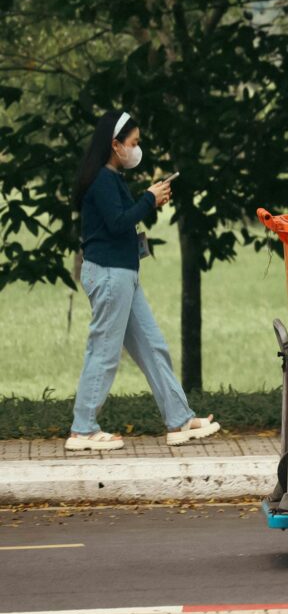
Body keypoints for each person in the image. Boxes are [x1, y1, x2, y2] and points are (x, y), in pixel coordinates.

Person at [66, 110, 219, 451]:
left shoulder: (111, 178)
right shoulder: (102, 181)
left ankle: (179, 419)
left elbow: (120, 222)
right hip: (109, 275)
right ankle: (83, 429)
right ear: (115, 145)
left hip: (123, 275)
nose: (136, 150)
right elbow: (120, 223)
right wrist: (149, 199)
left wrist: (149, 200)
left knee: (153, 347)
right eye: (133, 143)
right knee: (104, 352)